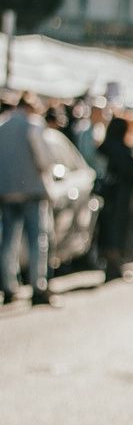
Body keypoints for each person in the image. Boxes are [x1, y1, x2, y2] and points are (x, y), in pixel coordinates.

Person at [0, 94, 51, 306]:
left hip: (7, 190)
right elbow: (44, 159)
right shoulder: (34, 125)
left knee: (9, 240)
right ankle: (37, 286)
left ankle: (9, 285)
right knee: (36, 239)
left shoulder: (2, 125)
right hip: (31, 189)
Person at [96, 114, 133, 281]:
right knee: (118, 229)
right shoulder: (121, 148)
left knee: (108, 229)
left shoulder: (104, 147)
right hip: (121, 195)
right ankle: (114, 263)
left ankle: (111, 263)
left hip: (106, 193)